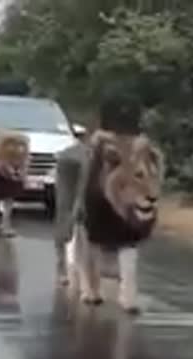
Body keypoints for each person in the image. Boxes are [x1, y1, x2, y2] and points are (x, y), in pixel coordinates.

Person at [53, 93, 144, 285]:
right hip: (75, 164)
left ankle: (106, 263)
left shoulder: (132, 135)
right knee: (67, 210)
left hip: (101, 171)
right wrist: (80, 200)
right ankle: (61, 264)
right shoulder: (102, 135)